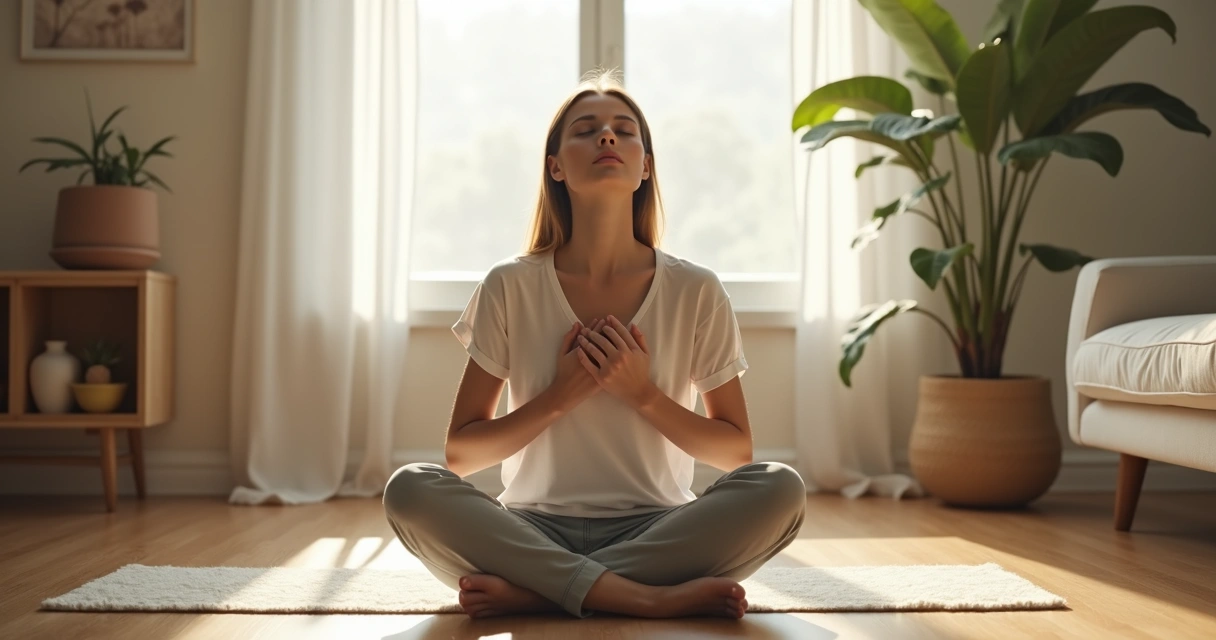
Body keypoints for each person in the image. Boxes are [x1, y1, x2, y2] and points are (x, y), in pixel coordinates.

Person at [383, 70, 806, 620]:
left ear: (645, 166)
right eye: (586, 130)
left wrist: (641, 394)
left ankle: (541, 591)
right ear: (555, 167)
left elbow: (734, 452)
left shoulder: (696, 289)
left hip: (658, 528)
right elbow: (463, 455)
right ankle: (641, 596)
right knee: (410, 488)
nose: (607, 136)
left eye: (624, 130)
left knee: (780, 488)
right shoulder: (509, 285)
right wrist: (561, 396)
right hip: (529, 529)